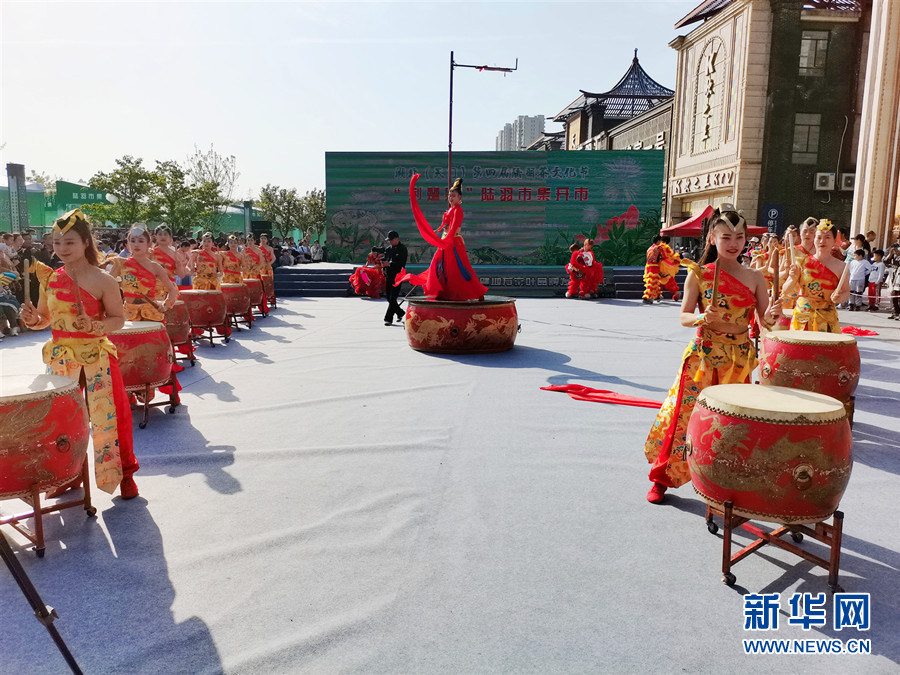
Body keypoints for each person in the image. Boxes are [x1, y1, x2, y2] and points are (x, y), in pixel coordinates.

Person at [644, 210, 781, 504]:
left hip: (738, 359)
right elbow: (683, 315)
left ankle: (728, 483)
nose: (733, 243)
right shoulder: (699, 275)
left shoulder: (755, 277)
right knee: (686, 416)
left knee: (735, 423)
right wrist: (701, 318)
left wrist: (773, 315)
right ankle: (663, 478)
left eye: (739, 237)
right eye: (726, 237)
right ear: (712, 238)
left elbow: (766, 321)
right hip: (703, 357)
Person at [19, 209, 139, 499]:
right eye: (57, 242)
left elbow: (117, 320)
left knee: (112, 417)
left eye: (69, 242)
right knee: (60, 420)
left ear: (86, 242)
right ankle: (67, 473)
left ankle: (122, 474)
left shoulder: (104, 280)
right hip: (61, 355)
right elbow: (46, 319)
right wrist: (33, 319)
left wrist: (96, 325)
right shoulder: (51, 278)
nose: (61, 248)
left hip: (96, 354)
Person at [401, 175, 488, 302]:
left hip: (453, 242)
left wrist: (446, 241)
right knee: (439, 267)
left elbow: (453, 228)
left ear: (459, 198)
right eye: (449, 195)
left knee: (458, 269)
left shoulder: (458, 210)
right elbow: (445, 226)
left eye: (454, 196)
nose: (451, 198)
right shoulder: (450, 210)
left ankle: (477, 292)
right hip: (445, 242)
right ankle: (443, 291)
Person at [782, 220, 850, 331]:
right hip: (802, 318)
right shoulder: (802, 262)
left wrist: (839, 298)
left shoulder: (841, 266)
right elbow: (786, 290)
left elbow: (846, 291)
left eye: (827, 237)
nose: (822, 241)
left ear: (834, 241)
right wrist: (793, 278)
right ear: (814, 240)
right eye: (819, 237)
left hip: (827, 318)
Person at [382, 231, 408, 325]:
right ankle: (400, 312)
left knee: (393, 298)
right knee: (389, 298)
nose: (390, 242)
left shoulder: (403, 249)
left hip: (398, 276)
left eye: (391, 240)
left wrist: (390, 264)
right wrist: (384, 268)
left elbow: (402, 263)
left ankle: (388, 319)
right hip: (389, 275)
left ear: (396, 239)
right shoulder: (388, 249)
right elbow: (385, 260)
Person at [656, 235, 681, 302]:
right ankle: (676, 293)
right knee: (668, 281)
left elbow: (663, 256)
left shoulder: (662, 247)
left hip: (664, 266)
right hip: (669, 267)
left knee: (661, 281)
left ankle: (659, 294)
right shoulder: (669, 248)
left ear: (662, 241)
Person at [642, 235, 662, 304]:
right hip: (654, 267)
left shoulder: (650, 248)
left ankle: (656, 296)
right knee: (653, 282)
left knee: (651, 282)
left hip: (648, 266)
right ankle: (649, 297)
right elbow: (662, 257)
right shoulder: (658, 248)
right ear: (658, 241)